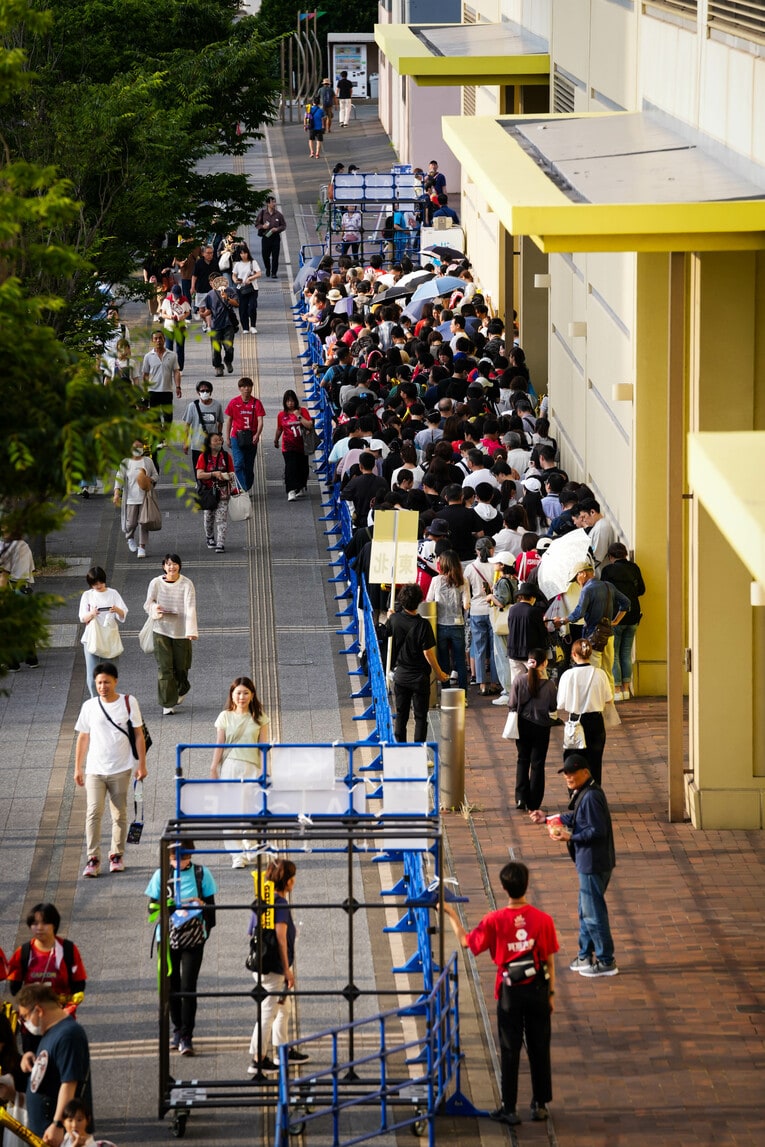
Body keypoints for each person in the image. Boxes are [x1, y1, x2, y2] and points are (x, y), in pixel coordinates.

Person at [443, 861, 557, 1126]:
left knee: (509, 1048)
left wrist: (450, 913)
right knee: (540, 1046)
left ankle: (509, 1107)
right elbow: (549, 960)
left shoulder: (494, 920)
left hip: (510, 992)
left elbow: (466, 942)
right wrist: (551, 994)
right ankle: (540, 1105)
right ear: (526, 885)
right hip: (539, 988)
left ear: (504, 888)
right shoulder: (544, 920)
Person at [531, 755, 618, 977]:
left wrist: (570, 837)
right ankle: (584, 955)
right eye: (566, 773)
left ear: (586, 773)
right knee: (586, 909)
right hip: (591, 861)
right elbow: (578, 818)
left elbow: (596, 830)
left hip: (593, 862)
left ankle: (606, 960)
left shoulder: (590, 797)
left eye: (573, 772)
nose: (568, 777)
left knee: (593, 912)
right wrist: (550, 818)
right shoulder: (586, 793)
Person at [74, 661, 147, 877]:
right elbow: (83, 737)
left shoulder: (128, 702)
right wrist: (78, 767)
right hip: (95, 770)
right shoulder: (90, 706)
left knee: (119, 813)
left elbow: (139, 734)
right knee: (93, 812)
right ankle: (92, 858)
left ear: (115, 681)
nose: (102, 686)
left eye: (106, 682)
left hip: (121, 769)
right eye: (99, 683)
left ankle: (117, 854)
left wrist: (142, 764)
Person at [145, 839, 217, 1057]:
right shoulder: (161, 875)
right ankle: (176, 1030)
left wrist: (202, 927)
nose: (180, 861)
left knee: (188, 987)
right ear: (168, 857)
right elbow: (151, 909)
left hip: (194, 938)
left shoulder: (201, 874)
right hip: (167, 937)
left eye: (185, 857)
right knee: (171, 985)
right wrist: (179, 905)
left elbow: (211, 910)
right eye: (176, 858)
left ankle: (187, 1035)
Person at [247, 859, 310, 1075]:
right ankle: (258, 1058)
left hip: (260, 964)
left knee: (284, 1008)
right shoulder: (280, 904)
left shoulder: (262, 900)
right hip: (275, 969)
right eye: (293, 878)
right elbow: (281, 938)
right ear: (288, 881)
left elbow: (250, 932)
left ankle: (282, 1051)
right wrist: (287, 969)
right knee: (268, 1012)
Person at [17, 982, 92, 1145]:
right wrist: (30, 1058)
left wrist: (57, 1124)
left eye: (24, 1017)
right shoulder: (52, 1032)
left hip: (59, 1134)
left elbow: (69, 1083)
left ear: (38, 1010)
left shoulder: (68, 1035)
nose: (24, 1023)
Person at [210, 677, 270, 868]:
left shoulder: (260, 717)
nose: (241, 697)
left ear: (252, 695)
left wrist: (266, 770)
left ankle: (250, 844)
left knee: (249, 808)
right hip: (230, 766)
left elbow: (263, 746)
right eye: (238, 693)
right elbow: (220, 743)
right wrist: (213, 767)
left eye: (245, 693)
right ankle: (237, 855)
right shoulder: (225, 716)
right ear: (232, 695)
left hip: (252, 766)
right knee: (230, 811)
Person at [379, 583, 449, 742]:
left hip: (401, 675)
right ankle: (419, 752)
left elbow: (387, 631)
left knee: (401, 716)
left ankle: (400, 750)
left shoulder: (395, 619)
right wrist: (439, 673)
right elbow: (428, 653)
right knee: (420, 718)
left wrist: (391, 617)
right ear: (419, 601)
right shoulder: (423, 625)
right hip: (419, 678)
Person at [553, 561, 629, 697]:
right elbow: (626, 603)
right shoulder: (608, 586)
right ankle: (609, 704)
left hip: (593, 636)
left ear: (583, 573)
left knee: (593, 671)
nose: (577, 582)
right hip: (609, 635)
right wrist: (616, 620)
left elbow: (579, 612)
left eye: (576, 577)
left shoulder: (587, 589)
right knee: (607, 671)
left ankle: (596, 706)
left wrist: (563, 620)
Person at [143, 554, 198, 715]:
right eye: (168, 564)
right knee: (165, 668)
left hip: (181, 631)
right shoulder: (155, 583)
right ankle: (167, 703)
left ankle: (182, 688)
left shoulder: (187, 584)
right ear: (163, 567)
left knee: (181, 667)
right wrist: (155, 609)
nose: (171, 567)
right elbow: (148, 603)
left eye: (174, 564)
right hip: (161, 629)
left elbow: (190, 607)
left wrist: (191, 631)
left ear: (179, 566)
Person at [7, 904, 87, 1011]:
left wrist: (71, 1004)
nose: (39, 928)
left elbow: (79, 983)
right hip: (32, 1014)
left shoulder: (68, 950)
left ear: (54, 925)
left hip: (62, 1013)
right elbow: (15, 989)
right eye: (35, 923)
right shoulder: (23, 952)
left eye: (45, 923)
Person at [507, 649, 558, 812]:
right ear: (544, 664)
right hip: (542, 727)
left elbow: (512, 704)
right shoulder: (550, 685)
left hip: (522, 724)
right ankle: (534, 802)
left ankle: (520, 797)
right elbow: (553, 707)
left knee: (522, 760)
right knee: (538, 764)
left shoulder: (519, 681)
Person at [555, 638, 611, 784]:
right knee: (595, 761)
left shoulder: (567, 675)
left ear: (573, 654)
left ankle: (575, 794)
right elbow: (608, 699)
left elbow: (561, 703)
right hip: (596, 720)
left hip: (575, 720)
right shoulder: (600, 674)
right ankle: (594, 793)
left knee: (573, 760)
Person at [601, 542, 645, 700]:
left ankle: (618, 689)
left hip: (615, 617)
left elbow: (604, 592)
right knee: (626, 652)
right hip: (633, 615)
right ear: (625, 554)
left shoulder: (608, 570)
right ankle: (627, 689)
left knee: (615, 654)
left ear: (611, 556)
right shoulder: (634, 568)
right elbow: (641, 590)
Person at [77, 567, 127, 697]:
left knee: (110, 673)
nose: (98, 586)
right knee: (92, 675)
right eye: (95, 583)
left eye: (100, 582)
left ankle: (108, 699)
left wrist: (116, 610)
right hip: (92, 637)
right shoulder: (87, 595)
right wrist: (92, 613)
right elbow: (83, 617)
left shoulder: (113, 593)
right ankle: (96, 701)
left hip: (109, 636)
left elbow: (123, 615)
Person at [425, 550, 470, 692]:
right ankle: (463, 696)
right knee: (460, 661)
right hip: (458, 624)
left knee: (443, 661)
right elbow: (466, 604)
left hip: (441, 625)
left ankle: (446, 691)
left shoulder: (435, 580)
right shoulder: (463, 580)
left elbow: (428, 601)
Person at [112, 441, 159, 560]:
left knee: (144, 522)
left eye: (140, 447)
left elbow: (156, 475)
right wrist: (116, 493)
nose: (138, 449)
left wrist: (149, 479)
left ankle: (142, 547)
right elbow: (119, 478)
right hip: (130, 499)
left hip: (145, 498)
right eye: (135, 447)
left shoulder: (148, 461)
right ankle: (130, 537)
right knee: (131, 523)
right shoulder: (126, 462)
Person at [465, 537, 500, 695]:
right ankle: (494, 682)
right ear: (492, 549)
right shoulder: (496, 566)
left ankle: (482, 684)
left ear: (476, 551)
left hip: (476, 611)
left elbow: (467, 591)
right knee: (494, 648)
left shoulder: (470, 568)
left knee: (478, 649)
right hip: (493, 610)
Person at [0, 535, 39, 670]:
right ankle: (32, 659)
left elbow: (4, 576)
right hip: (24, 590)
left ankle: (12, 663)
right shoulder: (24, 546)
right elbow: (32, 569)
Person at [223, 377, 265, 494]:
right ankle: (242, 489)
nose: (246, 389)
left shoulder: (256, 403)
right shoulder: (234, 402)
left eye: (248, 386)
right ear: (239, 388)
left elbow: (260, 420)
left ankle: (247, 484)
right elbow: (229, 420)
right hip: (236, 436)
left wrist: (257, 434)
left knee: (248, 465)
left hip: (251, 437)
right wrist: (227, 437)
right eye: (243, 387)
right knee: (238, 463)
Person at [196, 432, 235, 553]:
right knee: (208, 516)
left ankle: (220, 543)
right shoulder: (203, 457)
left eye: (220, 440)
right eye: (215, 440)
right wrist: (213, 474)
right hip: (209, 491)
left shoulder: (226, 456)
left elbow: (232, 473)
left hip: (223, 491)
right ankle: (210, 537)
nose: (219, 442)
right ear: (209, 444)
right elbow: (199, 474)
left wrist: (227, 476)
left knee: (222, 517)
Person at [274, 390, 313, 502]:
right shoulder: (281, 415)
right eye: (288, 401)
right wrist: (276, 439)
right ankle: (290, 490)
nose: (290, 403)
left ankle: (300, 486)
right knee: (290, 467)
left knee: (303, 468)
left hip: (302, 445)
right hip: (288, 446)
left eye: (292, 401)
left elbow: (309, 425)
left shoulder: (303, 411)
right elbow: (279, 428)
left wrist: (299, 416)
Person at [141, 329, 181, 435]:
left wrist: (178, 387)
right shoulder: (148, 356)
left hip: (167, 390)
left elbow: (176, 371)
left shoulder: (172, 355)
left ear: (164, 339)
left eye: (160, 338)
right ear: (152, 341)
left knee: (168, 417)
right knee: (155, 418)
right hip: (152, 391)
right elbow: (145, 375)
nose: (158, 340)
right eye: (156, 338)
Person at [199, 275, 239, 377]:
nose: (214, 284)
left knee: (229, 347)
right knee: (216, 349)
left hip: (228, 324)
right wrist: (203, 315)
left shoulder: (230, 291)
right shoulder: (209, 295)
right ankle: (218, 366)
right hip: (215, 325)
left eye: (215, 281)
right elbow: (209, 310)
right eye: (212, 282)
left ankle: (228, 360)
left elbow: (237, 304)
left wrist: (227, 298)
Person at [181, 380, 224, 475]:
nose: (205, 393)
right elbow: (187, 425)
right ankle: (200, 485)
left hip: (213, 445)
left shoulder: (217, 405)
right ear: (198, 392)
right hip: (197, 444)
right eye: (202, 391)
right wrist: (185, 442)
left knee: (214, 467)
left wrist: (219, 435)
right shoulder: (192, 406)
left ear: (211, 392)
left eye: (207, 391)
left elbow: (220, 422)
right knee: (199, 468)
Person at [159, 283, 190, 372]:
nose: (177, 298)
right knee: (169, 348)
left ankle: (179, 368)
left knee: (180, 348)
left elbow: (188, 312)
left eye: (178, 296)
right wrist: (170, 317)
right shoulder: (167, 301)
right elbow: (163, 314)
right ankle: (169, 367)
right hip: (169, 327)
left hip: (181, 327)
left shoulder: (184, 300)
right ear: (172, 293)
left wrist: (183, 317)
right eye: (176, 296)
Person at [231, 244, 262, 335]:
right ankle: (245, 327)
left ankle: (253, 326)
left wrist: (251, 278)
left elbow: (259, 273)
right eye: (241, 253)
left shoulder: (253, 262)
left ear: (248, 253)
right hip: (241, 288)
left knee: (252, 307)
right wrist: (235, 280)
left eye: (245, 253)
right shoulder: (238, 264)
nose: (243, 255)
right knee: (242, 308)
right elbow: (234, 274)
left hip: (253, 288)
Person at [254, 196, 287, 279]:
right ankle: (268, 268)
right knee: (265, 255)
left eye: (275, 202)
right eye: (272, 202)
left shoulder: (279, 215)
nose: (274, 204)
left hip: (275, 237)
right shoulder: (262, 213)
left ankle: (274, 272)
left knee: (275, 256)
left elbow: (283, 225)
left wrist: (277, 229)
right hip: (266, 237)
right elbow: (257, 224)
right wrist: (263, 226)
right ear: (268, 203)